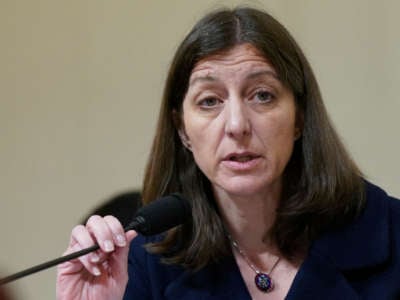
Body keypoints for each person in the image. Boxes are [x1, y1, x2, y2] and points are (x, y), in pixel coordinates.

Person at [56, 7, 400, 300]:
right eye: (209, 101)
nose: (236, 125)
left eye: (262, 95)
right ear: (182, 130)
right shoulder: (146, 265)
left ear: (300, 117)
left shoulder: (390, 233)